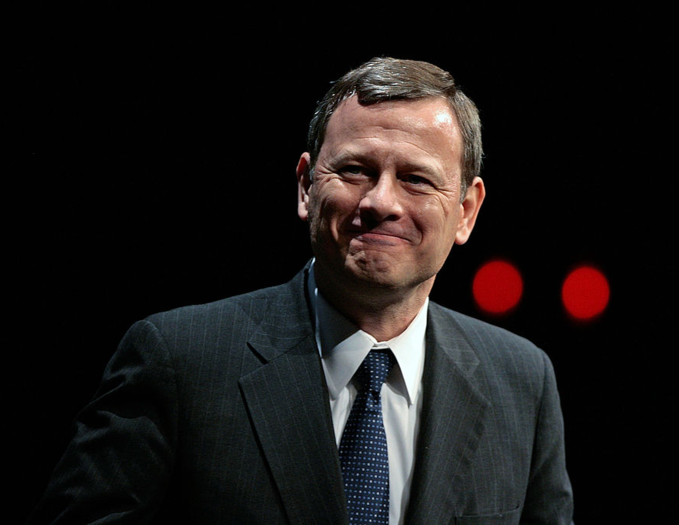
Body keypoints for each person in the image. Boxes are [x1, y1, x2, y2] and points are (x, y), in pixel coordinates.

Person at [30, 57, 574, 524]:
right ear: (305, 187)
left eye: (416, 178)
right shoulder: (177, 361)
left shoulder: (523, 381)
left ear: (466, 211)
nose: (382, 201)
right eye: (357, 169)